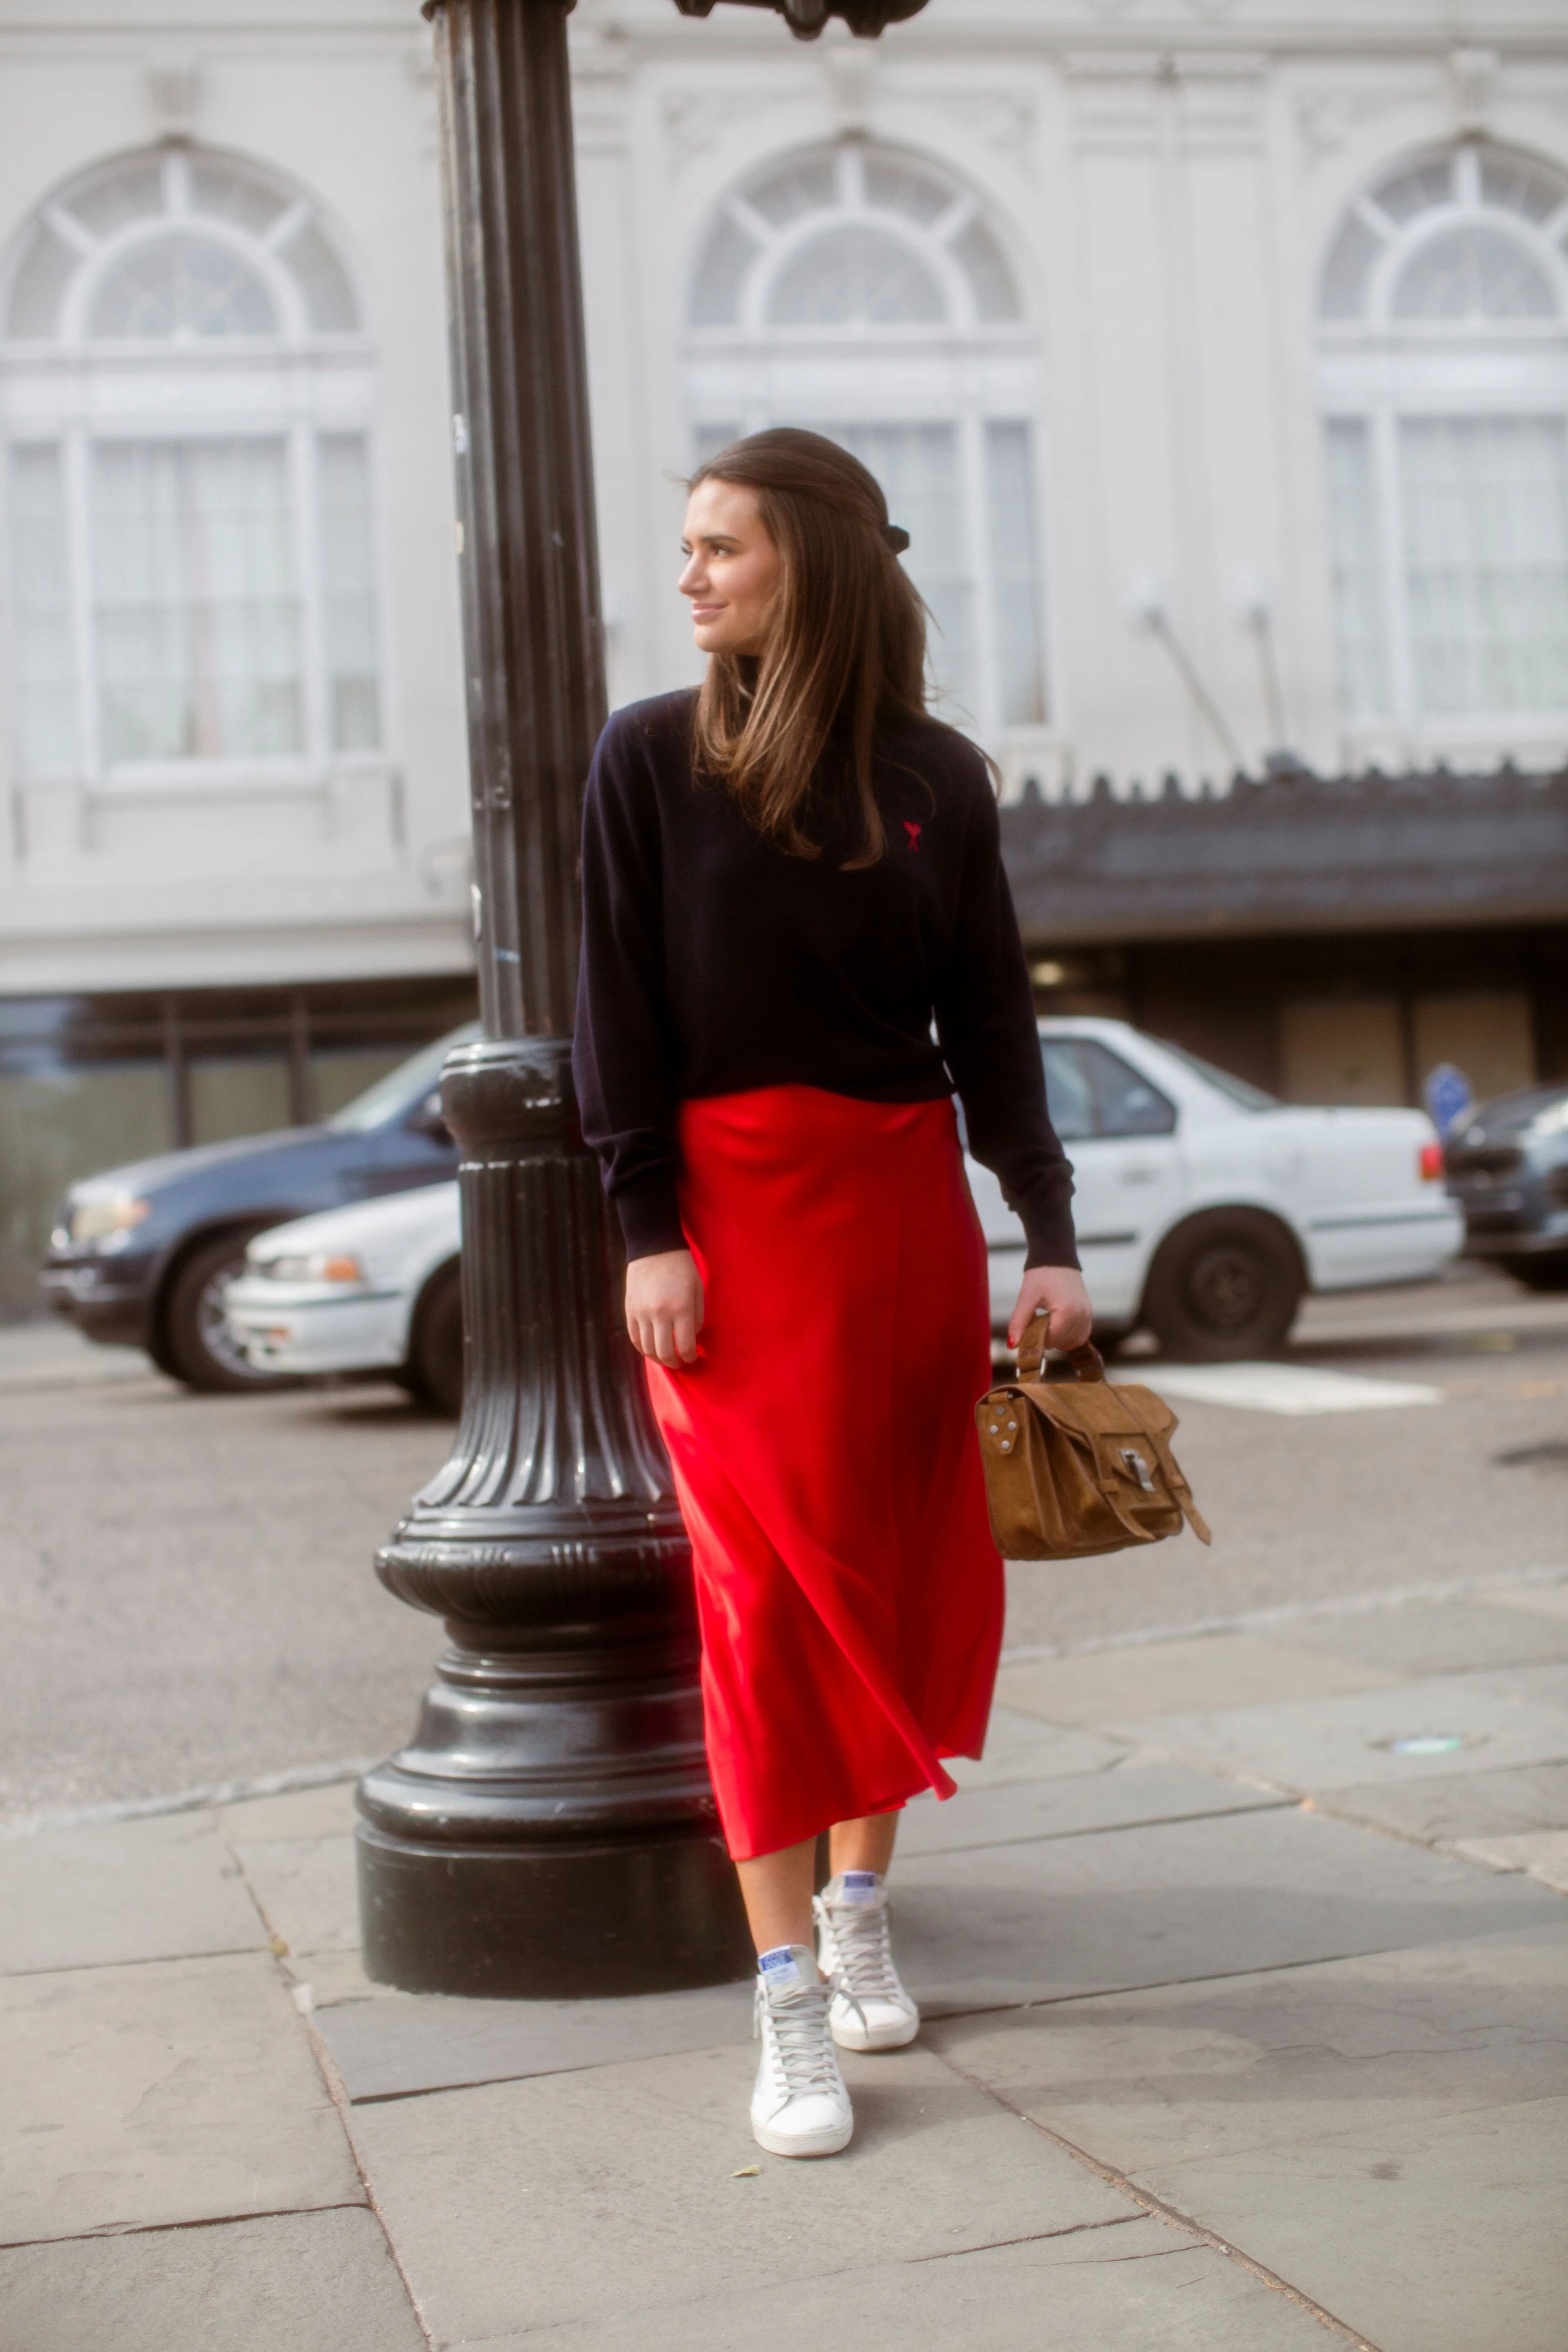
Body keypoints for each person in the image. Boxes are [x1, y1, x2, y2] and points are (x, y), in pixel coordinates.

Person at [573, 428, 1089, 2160]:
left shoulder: (935, 773)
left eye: (724, 544)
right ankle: (786, 1986)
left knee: (893, 1560)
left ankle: (861, 1902)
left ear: (816, 560)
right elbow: (614, 1014)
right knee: (758, 1600)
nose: (690, 573)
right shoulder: (647, 759)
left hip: (898, 1219)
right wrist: (647, 1220)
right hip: (727, 1230)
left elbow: (995, 1027)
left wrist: (1051, 1232)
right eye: (690, 545)